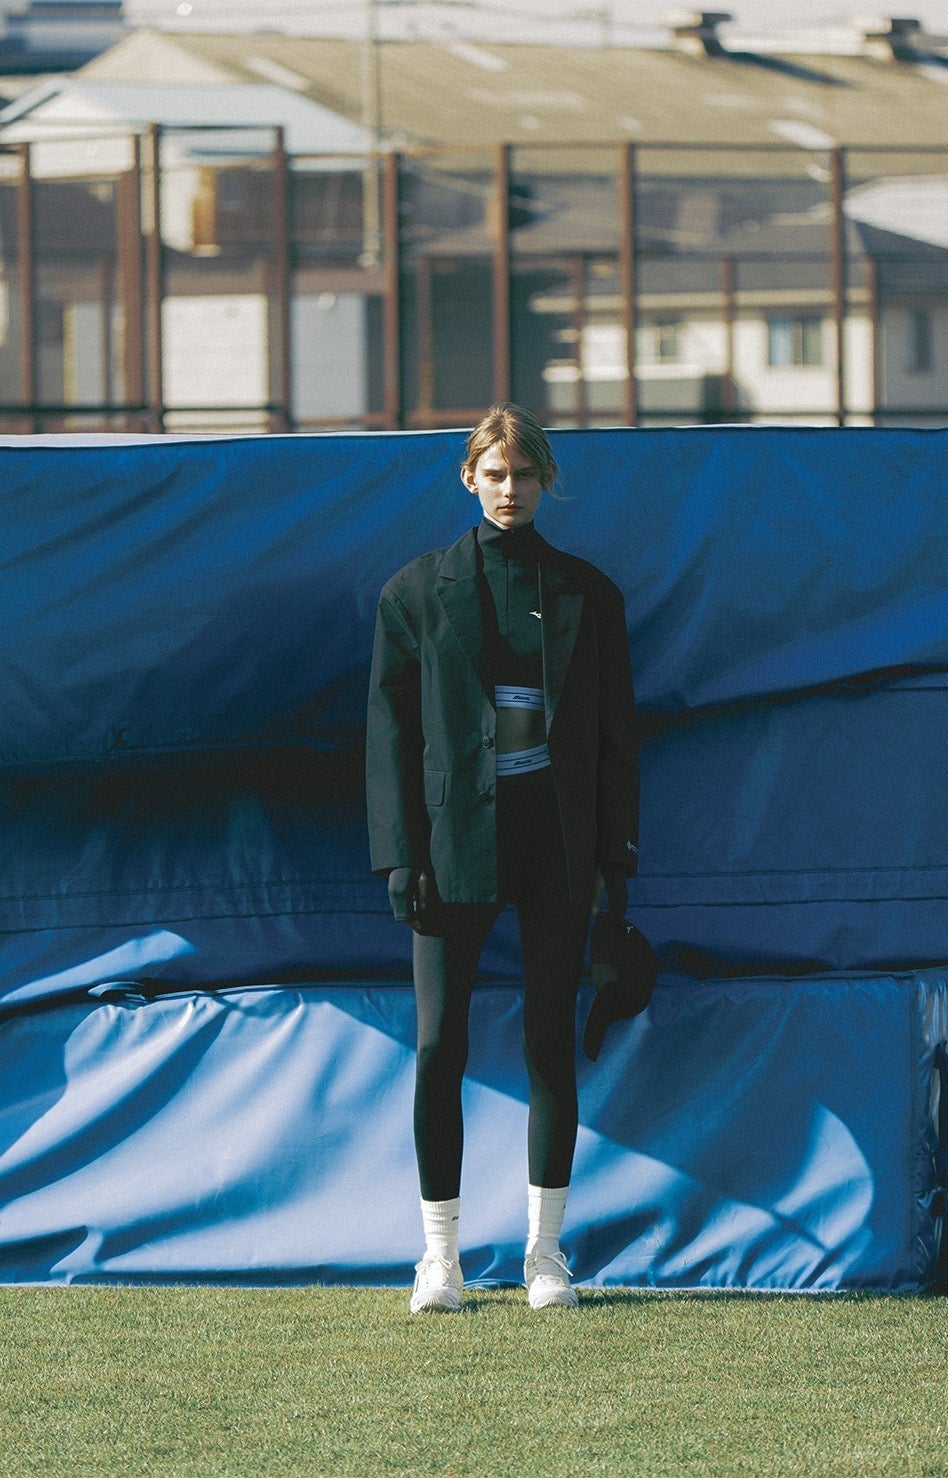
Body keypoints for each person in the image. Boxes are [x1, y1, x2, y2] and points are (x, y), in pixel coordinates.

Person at [366, 403, 639, 1313]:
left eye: (524, 474)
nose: (510, 489)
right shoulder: (415, 592)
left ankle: (545, 1256)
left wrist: (616, 860)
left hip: (556, 842)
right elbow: (390, 736)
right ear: (469, 478)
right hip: (451, 848)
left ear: (545, 480)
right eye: (495, 474)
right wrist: (400, 856)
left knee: (548, 1041)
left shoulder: (588, 593)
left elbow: (616, 738)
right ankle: (438, 1259)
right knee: (438, 1044)